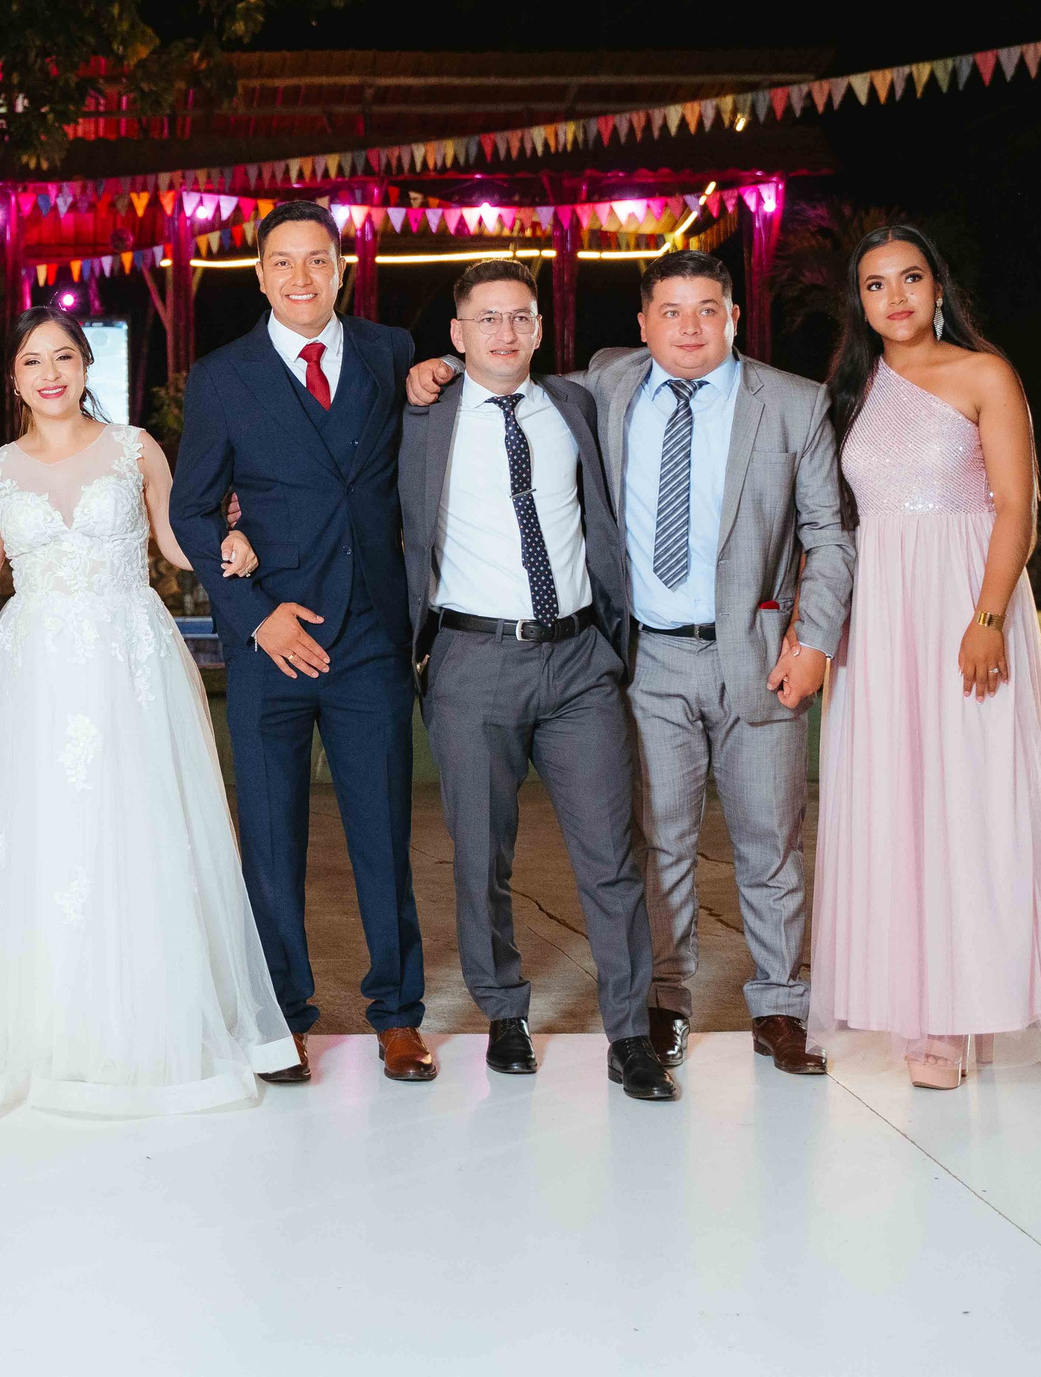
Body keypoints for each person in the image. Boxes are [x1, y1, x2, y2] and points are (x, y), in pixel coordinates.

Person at [0, 309, 292, 1114]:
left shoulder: (135, 448)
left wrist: (236, 543)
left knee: (136, 828)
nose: (50, 373)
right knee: (41, 836)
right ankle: (38, 1020)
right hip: (35, 666)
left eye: (65, 357)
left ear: (86, 367)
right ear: (12, 380)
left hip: (129, 657)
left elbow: (178, 543)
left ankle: (141, 1023)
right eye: (33, 361)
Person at [409, 248, 851, 1078]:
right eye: (671, 311)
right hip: (643, 661)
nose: (690, 326)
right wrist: (436, 367)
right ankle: (664, 1003)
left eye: (707, 309)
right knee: (657, 847)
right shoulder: (604, 386)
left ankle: (782, 1008)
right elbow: (496, 363)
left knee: (772, 843)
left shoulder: (792, 403)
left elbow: (829, 531)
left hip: (757, 658)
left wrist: (816, 637)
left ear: (733, 316)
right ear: (641, 325)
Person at [808, 226, 1041, 1088]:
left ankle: (965, 1015)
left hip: (966, 603)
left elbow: (1016, 511)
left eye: (911, 277)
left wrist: (989, 616)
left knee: (971, 801)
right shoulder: (851, 388)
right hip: (880, 619)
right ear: (861, 302)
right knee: (897, 802)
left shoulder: (984, 374)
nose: (895, 296)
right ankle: (918, 1010)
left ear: (938, 287)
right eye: (877, 284)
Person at [170, 201, 433, 1086]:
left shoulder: (392, 352)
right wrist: (252, 613)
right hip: (269, 641)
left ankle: (398, 1013)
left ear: (342, 266)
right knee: (272, 841)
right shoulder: (222, 376)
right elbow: (192, 509)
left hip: (367, 639)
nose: (300, 278)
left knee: (381, 833)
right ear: (259, 274)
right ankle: (282, 1017)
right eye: (282, 262)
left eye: (316, 260)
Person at [401, 263, 675, 1101]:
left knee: (610, 855)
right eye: (487, 320)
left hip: (578, 662)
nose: (505, 334)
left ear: (540, 327)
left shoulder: (574, 404)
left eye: (520, 317)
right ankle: (504, 1011)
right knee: (481, 856)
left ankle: (631, 1032)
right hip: (471, 661)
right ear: (457, 335)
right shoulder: (419, 414)